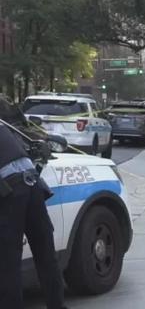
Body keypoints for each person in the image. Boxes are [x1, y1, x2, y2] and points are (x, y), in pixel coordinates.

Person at [0, 97, 67, 309]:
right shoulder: (5, 125)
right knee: (45, 253)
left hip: (11, 190)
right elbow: (30, 140)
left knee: (8, 262)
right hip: (32, 183)